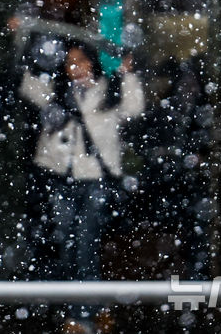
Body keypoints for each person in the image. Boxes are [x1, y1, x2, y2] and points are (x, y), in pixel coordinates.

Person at [20, 39, 144, 334]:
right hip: (60, 178)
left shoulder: (107, 92)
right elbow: (27, 84)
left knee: (85, 245)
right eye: (71, 62)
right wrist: (25, 45)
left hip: (95, 180)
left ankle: (81, 315)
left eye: (83, 61)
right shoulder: (57, 93)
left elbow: (134, 107)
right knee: (68, 246)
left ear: (93, 63)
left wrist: (127, 74)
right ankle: (91, 310)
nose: (77, 68)